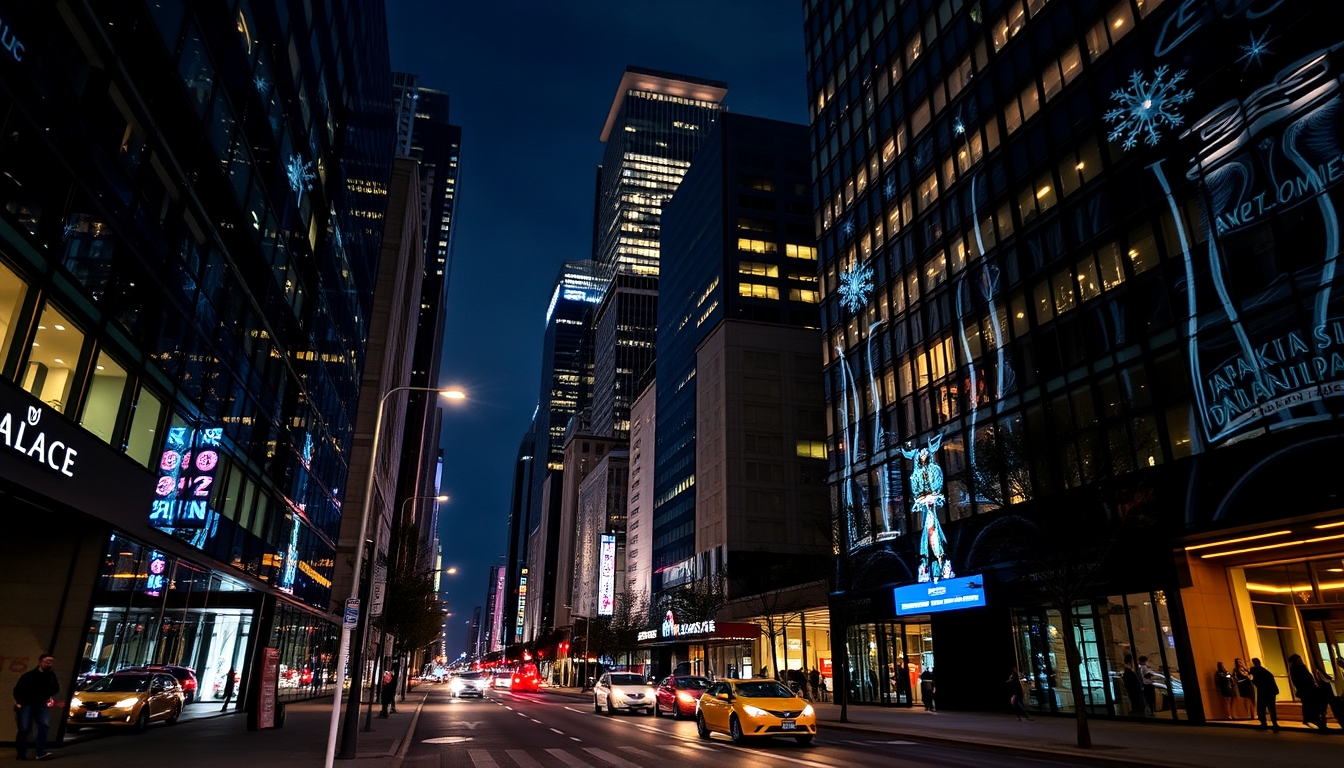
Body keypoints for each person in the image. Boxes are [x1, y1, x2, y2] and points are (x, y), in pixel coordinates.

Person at [13, 653, 59, 761]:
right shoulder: (29, 675)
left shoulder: (51, 675)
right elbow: (18, 689)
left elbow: (56, 688)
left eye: (50, 662)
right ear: (40, 662)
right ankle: (21, 753)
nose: (49, 664)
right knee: (24, 728)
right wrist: (19, 702)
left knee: (44, 726)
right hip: (26, 703)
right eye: (47, 661)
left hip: (41, 703)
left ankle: (41, 752)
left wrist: (47, 694)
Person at [1288, 654, 1324, 729]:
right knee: (1310, 704)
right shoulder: (1297, 668)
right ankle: (1314, 719)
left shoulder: (1297, 668)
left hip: (1306, 689)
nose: (1300, 660)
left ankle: (1310, 719)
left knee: (1308, 704)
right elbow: (1301, 679)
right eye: (1299, 659)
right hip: (1307, 689)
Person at [1247, 658, 1279, 730]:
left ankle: (1264, 724)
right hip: (1271, 690)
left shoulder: (1254, 670)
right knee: (1272, 708)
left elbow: (1253, 679)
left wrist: (1251, 679)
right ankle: (1275, 724)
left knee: (1261, 708)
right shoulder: (1264, 670)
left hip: (1263, 691)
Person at [1123, 654, 1146, 719]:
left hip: (1134, 691)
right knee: (1137, 704)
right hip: (1135, 692)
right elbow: (1132, 683)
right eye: (1132, 661)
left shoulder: (1129, 672)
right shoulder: (1129, 672)